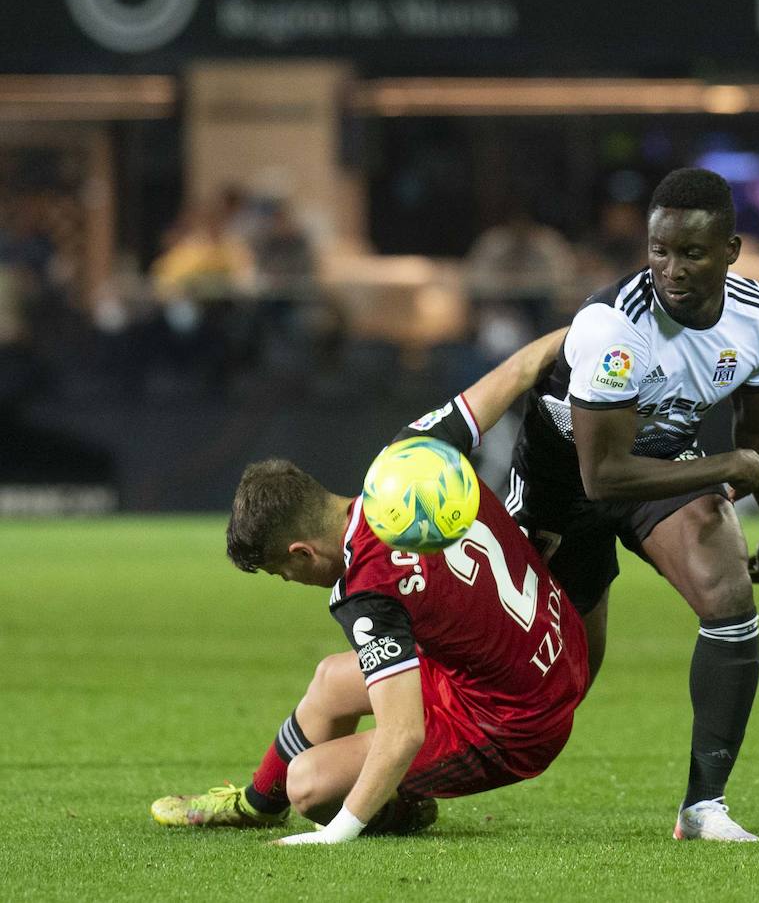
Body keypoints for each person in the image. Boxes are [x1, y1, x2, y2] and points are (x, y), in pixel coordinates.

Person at [151, 330, 589, 844]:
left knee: (310, 785)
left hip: (513, 726)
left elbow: (404, 734)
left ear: (301, 552)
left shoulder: (368, 589)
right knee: (334, 679)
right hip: (557, 650)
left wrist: (338, 831)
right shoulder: (409, 454)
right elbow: (520, 369)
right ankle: (256, 804)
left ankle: (398, 808)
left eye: (282, 573)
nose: (292, 582)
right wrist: (598, 317)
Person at [509, 167, 759, 841]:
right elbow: (601, 475)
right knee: (553, 690)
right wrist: (722, 466)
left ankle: (704, 807)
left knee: (727, 596)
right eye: (659, 251)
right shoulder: (613, 327)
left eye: (691, 252)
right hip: (563, 489)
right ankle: (400, 769)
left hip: (658, 467)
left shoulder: (757, 317)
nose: (670, 268)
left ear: (732, 251)